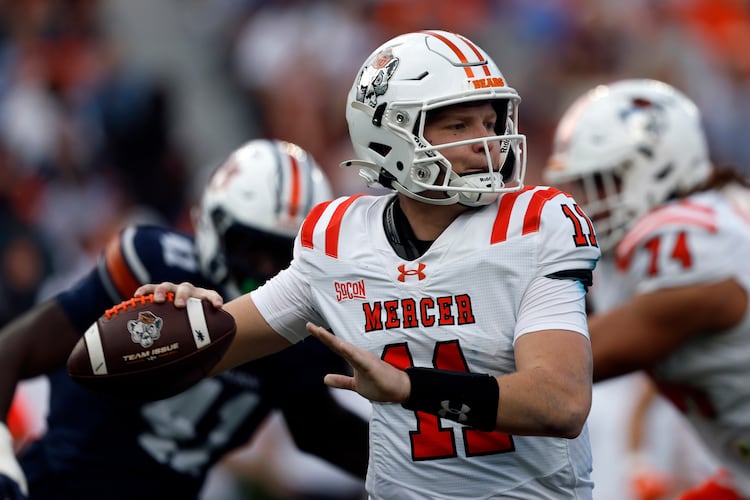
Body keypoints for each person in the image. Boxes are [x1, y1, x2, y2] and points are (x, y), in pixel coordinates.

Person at [136, 30, 601, 499]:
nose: (487, 143)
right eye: (459, 127)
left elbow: (559, 403)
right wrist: (186, 314)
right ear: (389, 135)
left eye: (489, 122)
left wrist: (408, 387)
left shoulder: (536, 223)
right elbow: (215, 345)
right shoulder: (341, 238)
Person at [0, 139, 369, 499]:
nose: (267, 269)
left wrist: (418, 472)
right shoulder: (153, 266)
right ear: (214, 225)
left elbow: (322, 431)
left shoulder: (299, 331)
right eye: (255, 249)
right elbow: (12, 349)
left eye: (284, 255)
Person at [544, 78, 750, 498]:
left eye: (599, 182)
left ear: (655, 167)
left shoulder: (685, 239)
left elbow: (564, 366)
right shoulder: (718, 210)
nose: (583, 202)